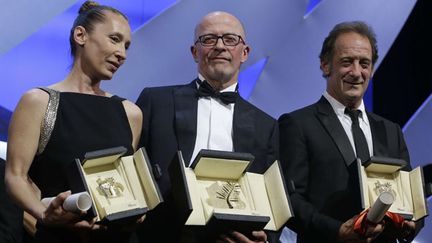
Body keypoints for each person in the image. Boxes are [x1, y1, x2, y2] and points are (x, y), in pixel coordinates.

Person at [4, 1, 142, 242]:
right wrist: (44, 215)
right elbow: (16, 177)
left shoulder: (130, 113)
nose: (123, 54)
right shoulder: (39, 101)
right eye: (114, 39)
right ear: (81, 35)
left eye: (127, 46)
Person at [135, 11, 278, 243]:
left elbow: (273, 197)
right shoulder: (156, 102)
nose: (220, 46)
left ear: (245, 53)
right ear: (194, 52)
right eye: (209, 39)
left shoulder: (267, 126)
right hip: (161, 233)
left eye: (230, 39)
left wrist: (267, 237)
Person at [279, 21, 423, 242]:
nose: (356, 72)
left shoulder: (391, 130)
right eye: (347, 62)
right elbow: (289, 199)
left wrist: (412, 225)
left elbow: (410, 196)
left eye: (364, 63)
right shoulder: (297, 124)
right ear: (325, 65)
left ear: (372, 69)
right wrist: (337, 231)